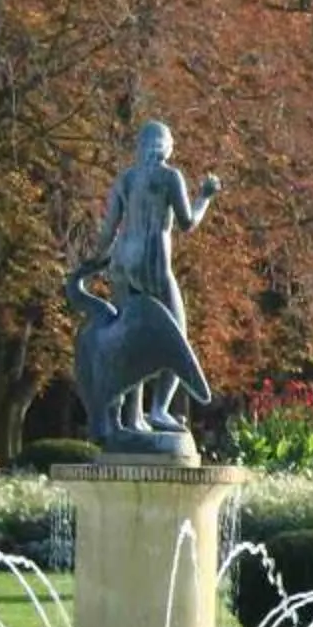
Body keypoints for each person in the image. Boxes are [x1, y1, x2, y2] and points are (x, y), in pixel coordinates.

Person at [92, 120, 220, 436]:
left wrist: (94, 262)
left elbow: (108, 229)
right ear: (167, 146)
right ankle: (159, 409)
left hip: (123, 262)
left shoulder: (126, 179)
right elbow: (187, 223)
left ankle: (129, 417)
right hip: (152, 262)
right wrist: (205, 197)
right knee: (176, 334)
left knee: (131, 338)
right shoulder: (168, 177)